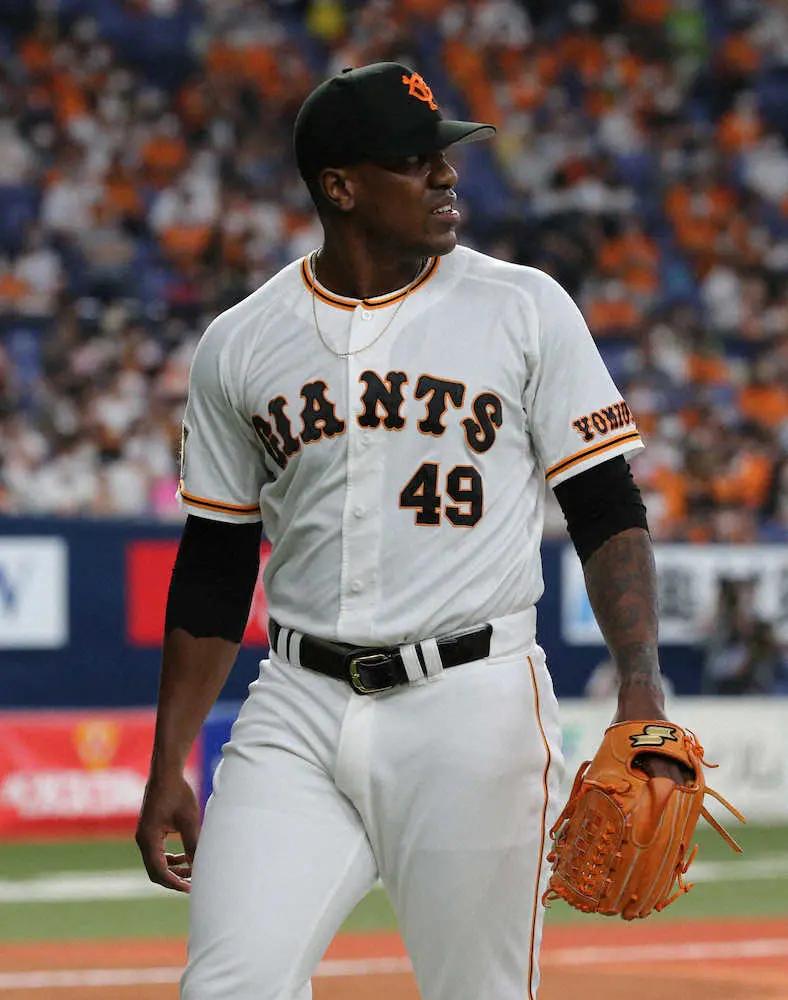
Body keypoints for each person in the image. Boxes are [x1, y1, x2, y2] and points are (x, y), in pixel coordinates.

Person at [136, 62, 679, 1000]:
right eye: (415, 160)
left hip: (473, 703)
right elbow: (216, 562)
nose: (445, 175)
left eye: (445, 156)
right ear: (340, 187)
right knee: (227, 986)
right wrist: (167, 760)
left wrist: (641, 687)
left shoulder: (525, 307)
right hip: (297, 705)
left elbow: (606, 508)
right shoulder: (241, 341)